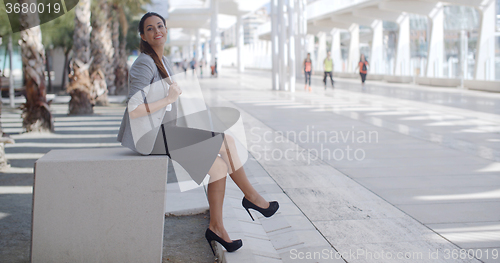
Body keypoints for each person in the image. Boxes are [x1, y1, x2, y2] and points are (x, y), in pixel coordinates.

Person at [116, 12, 278, 256]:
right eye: (150, 28)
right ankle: (252, 197)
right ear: (143, 36)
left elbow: (170, 108)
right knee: (227, 141)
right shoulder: (144, 62)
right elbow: (134, 109)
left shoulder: (164, 61)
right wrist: (168, 99)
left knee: (218, 168)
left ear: (166, 30)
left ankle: (217, 228)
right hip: (149, 137)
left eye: (160, 26)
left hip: (167, 131)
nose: (156, 31)